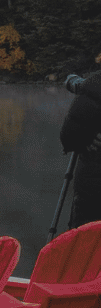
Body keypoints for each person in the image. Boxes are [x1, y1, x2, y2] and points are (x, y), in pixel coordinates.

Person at [64, 69, 101, 227]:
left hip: (93, 191)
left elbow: (70, 136)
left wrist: (87, 138)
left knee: (83, 243)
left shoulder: (96, 83)